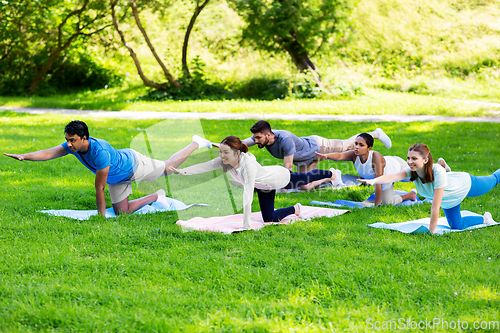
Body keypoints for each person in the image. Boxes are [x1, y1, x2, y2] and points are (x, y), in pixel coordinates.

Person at [4, 120, 213, 216]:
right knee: (122, 213)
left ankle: (196, 142)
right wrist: (24, 156)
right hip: (118, 179)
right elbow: (49, 153)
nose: (68, 144)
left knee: (169, 168)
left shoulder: (99, 152)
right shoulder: (73, 147)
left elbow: (99, 188)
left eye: (73, 140)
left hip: (134, 165)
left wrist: (102, 217)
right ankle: (156, 197)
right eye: (67, 140)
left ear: (84, 138)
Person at [170, 136, 341, 229]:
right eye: (221, 152)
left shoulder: (248, 165)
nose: (222, 157)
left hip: (278, 178)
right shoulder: (226, 159)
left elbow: (247, 196)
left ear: (236, 153)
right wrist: (183, 171)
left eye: (225, 153)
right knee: (269, 219)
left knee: (306, 178)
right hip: (263, 187)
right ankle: (296, 209)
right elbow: (205, 166)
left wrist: (246, 225)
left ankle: (331, 173)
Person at [358, 143, 499, 233]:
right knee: (457, 226)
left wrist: (431, 231)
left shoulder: (437, 173)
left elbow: (435, 206)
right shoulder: (411, 170)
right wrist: (373, 180)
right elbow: (391, 177)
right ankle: (486, 219)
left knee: (493, 180)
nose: (409, 162)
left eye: (414, 159)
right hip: (450, 200)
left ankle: (443, 165)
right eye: (408, 158)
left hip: (465, 185)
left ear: (425, 160)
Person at [242, 120, 393, 173]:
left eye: (258, 138)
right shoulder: (261, 137)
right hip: (305, 159)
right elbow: (241, 144)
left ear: (268, 135)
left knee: (347, 145)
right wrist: (224, 146)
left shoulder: (285, 139)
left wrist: (279, 186)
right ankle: (333, 176)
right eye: (254, 138)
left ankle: (375, 134)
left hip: (318, 146)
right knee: (305, 187)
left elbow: (288, 168)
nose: (255, 141)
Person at [315, 133, 418, 206]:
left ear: (369, 148)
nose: (357, 147)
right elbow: (340, 156)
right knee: (387, 203)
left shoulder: (375, 157)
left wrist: (376, 205)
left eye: (361, 145)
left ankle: (433, 166)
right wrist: (326, 156)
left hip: (397, 168)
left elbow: (378, 182)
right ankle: (411, 195)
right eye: (356, 143)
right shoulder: (354, 155)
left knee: (420, 176)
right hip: (388, 179)